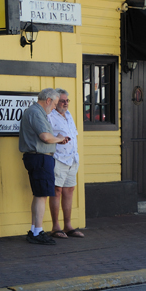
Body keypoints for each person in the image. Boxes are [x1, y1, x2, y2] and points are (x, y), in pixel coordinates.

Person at [19, 88, 71, 245]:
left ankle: (35, 230)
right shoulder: (36, 112)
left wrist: (56, 140)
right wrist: (59, 138)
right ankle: (38, 232)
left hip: (38, 158)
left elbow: (47, 137)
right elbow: (45, 137)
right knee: (41, 195)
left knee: (38, 195)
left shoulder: (36, 112)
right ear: (48, 100)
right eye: (55, 103)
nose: (55, 107)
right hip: (40, 158)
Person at [47, 88, 83, 238]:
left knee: (69, 191)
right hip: (58, 158)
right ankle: (56, 227)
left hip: (72, 159)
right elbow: (47, 135)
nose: (65, 103)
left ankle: (68, 225)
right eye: (62, 100)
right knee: (57, 191)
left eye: (67, 100)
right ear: (55, 102)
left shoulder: (68, 115)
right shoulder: (50, 116)